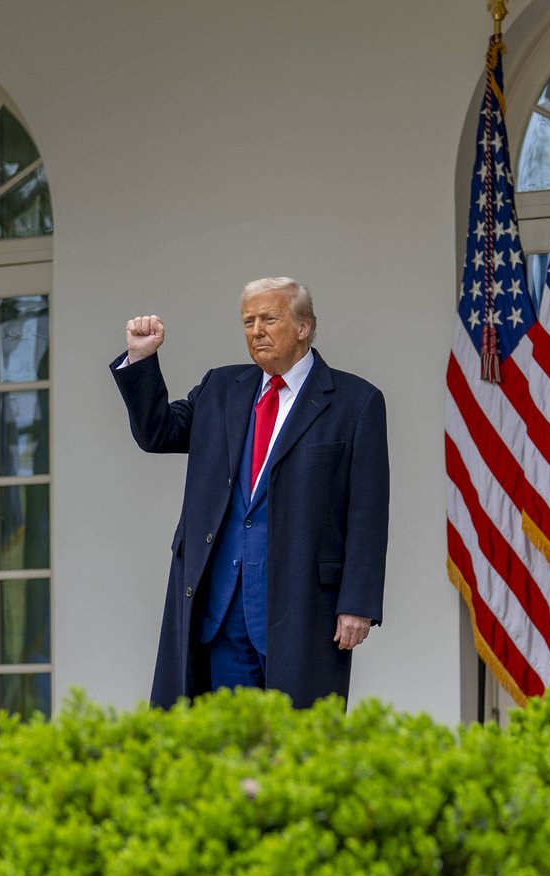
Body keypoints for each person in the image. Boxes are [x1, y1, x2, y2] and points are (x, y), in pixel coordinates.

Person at [110, 277, 389, 708]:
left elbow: (368, 512)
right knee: (227, 747)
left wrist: (358, 603)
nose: (256, 330)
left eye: (269, 318)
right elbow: (157, 432)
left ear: (304, 327)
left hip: (302, 607)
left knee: (297, 748)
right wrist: (142, 359)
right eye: (247, 321)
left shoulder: (356, 401)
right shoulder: (221, 390)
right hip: (220, 610)